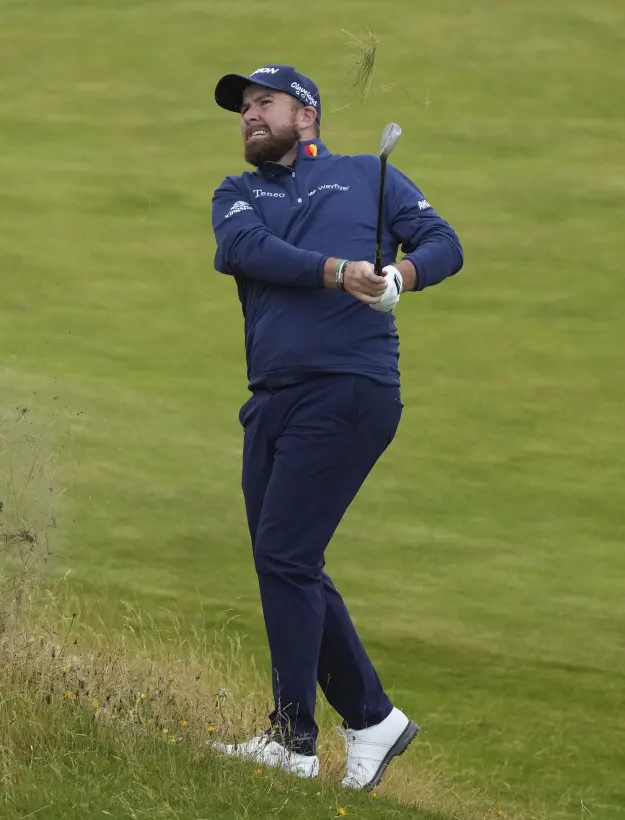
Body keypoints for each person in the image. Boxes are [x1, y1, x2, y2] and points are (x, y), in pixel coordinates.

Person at [205, 64, 464, 791]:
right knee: (286, 561)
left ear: (306, 114)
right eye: (244, 108)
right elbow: (245, 252)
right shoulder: (238, 194)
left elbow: (443, 242)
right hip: (273, 399)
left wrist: (397, 281)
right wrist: (338, 270)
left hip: (351, 388)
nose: (250, 116)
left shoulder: (366, 176)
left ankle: (292, 738)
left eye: (264, 104)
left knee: (285, 554)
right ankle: (373, 718)